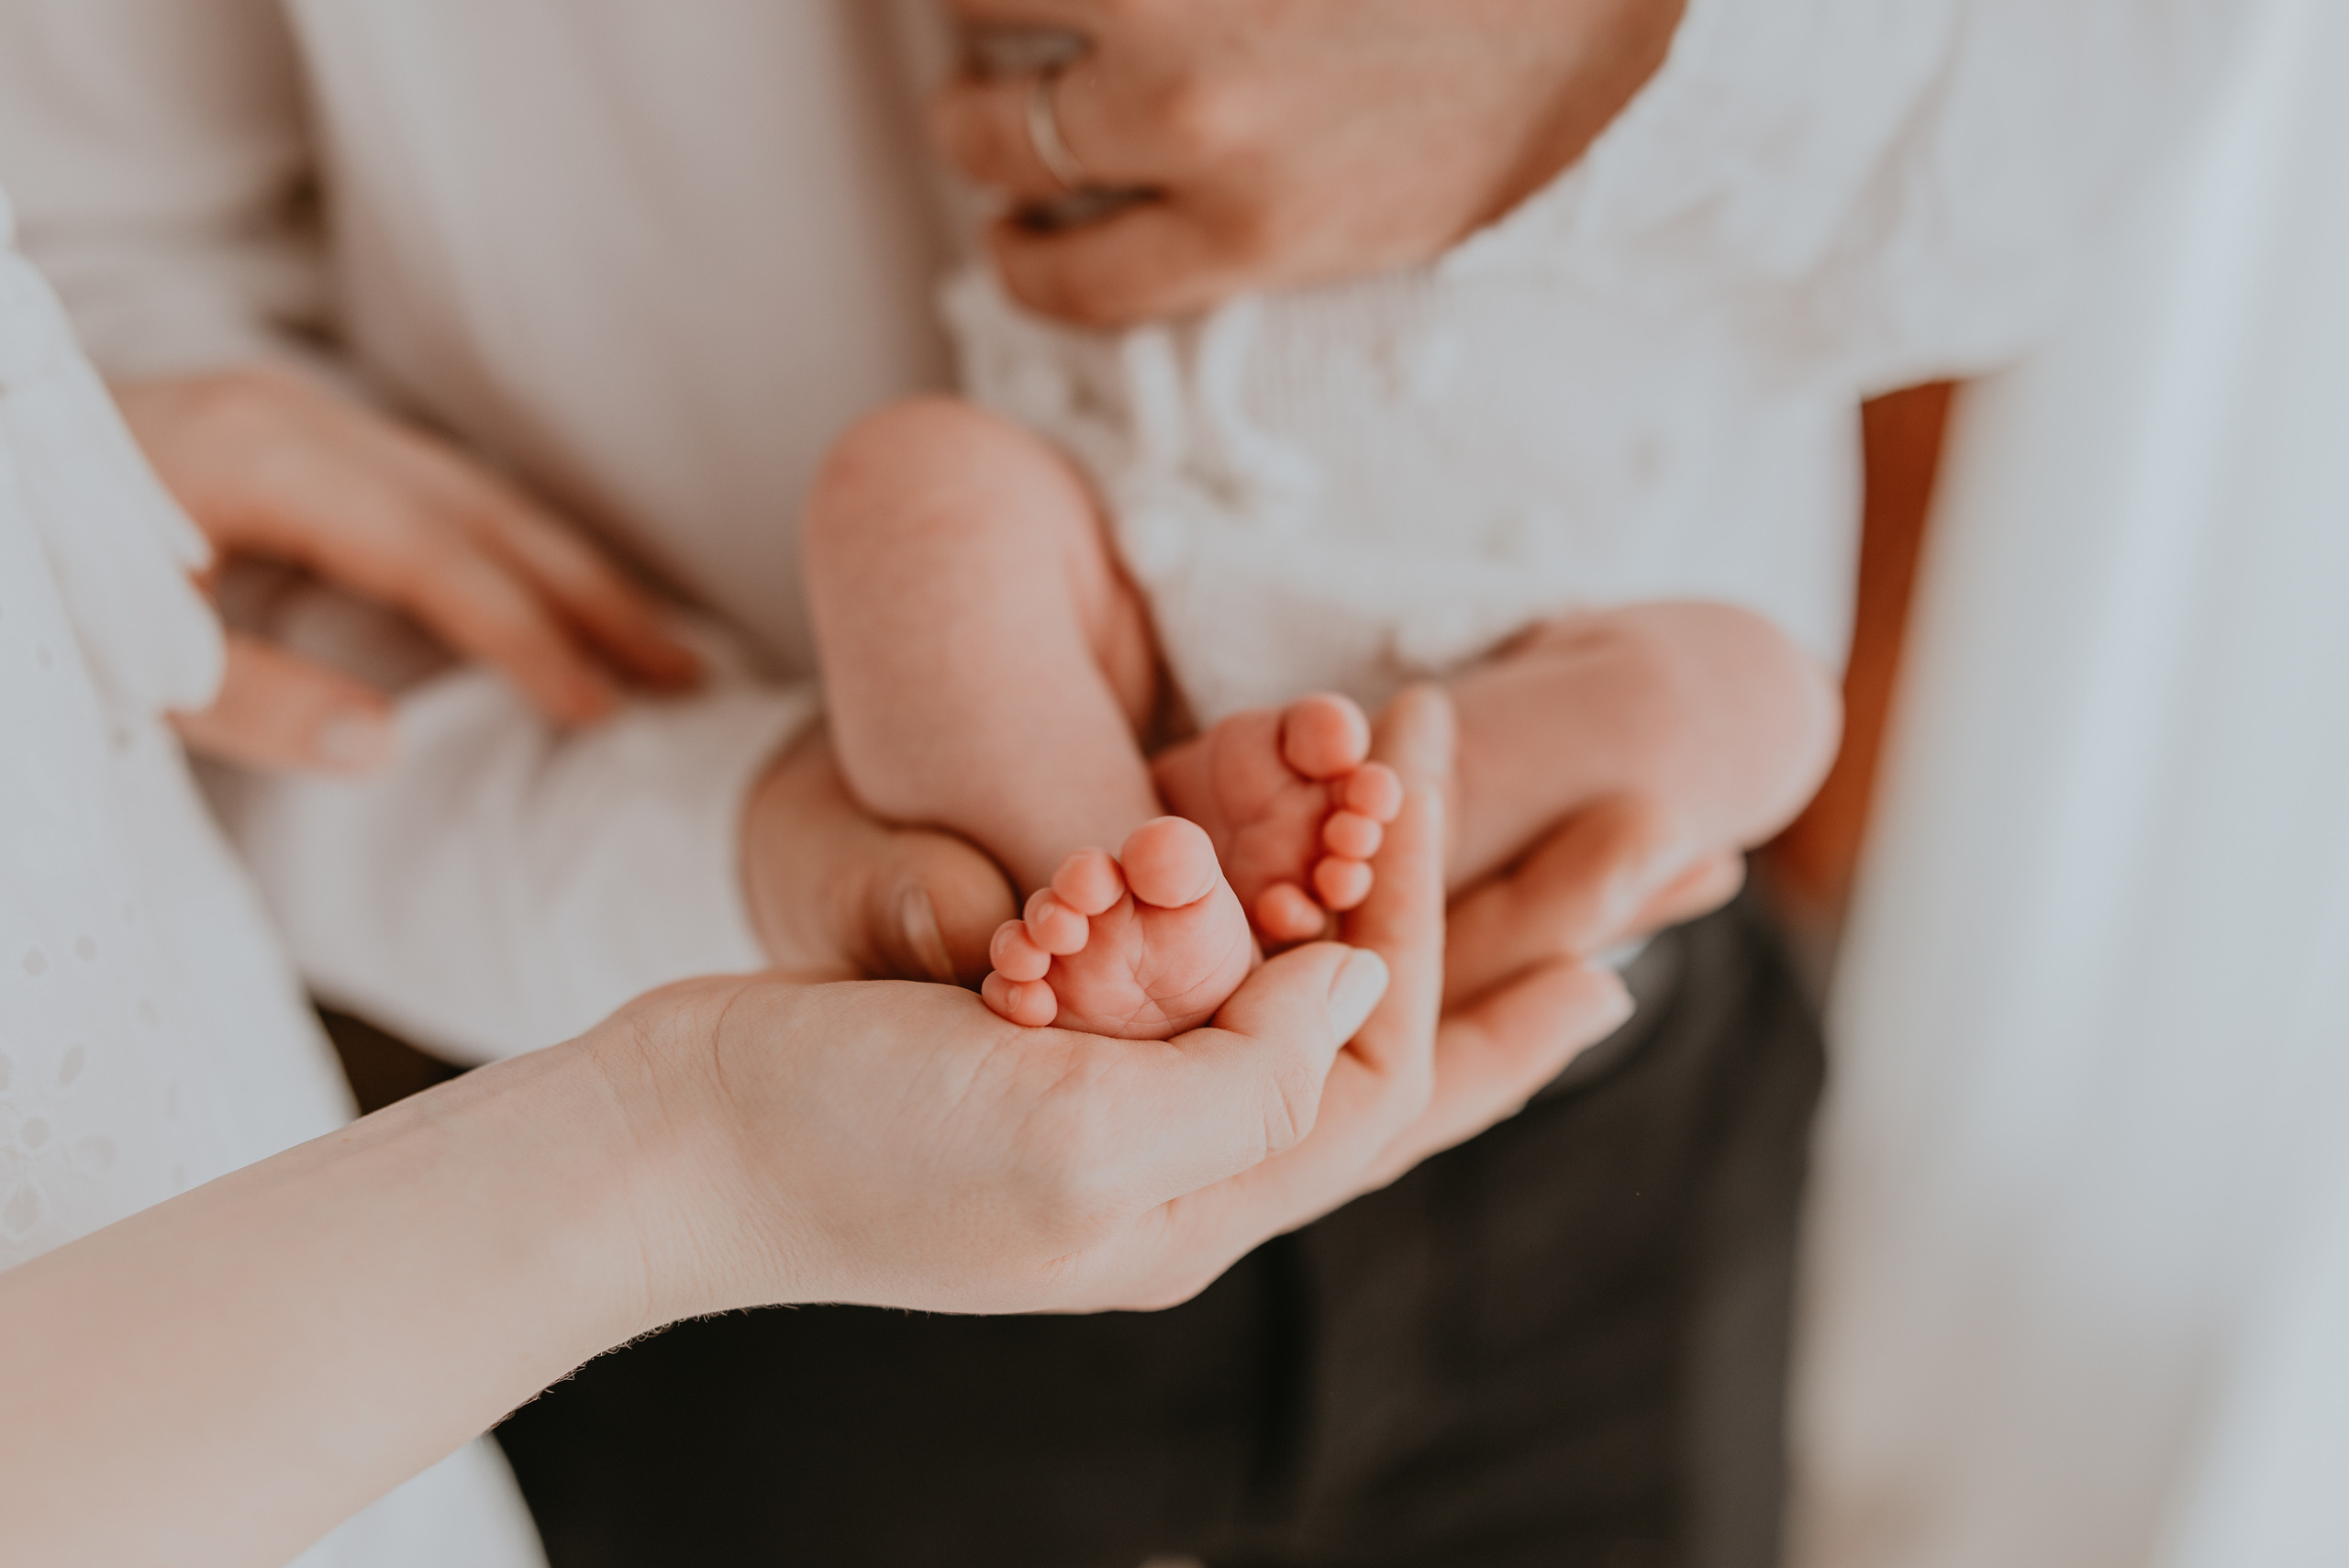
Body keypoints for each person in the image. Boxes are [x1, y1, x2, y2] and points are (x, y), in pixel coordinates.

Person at [0, 3, 1811, 1563]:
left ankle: (1366, 830)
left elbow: (2042, 112)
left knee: (1744, 706)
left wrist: (1635, 59)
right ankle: (1096, 856)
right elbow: (114, 328)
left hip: (1567, 852)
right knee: (915, 501)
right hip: (998, 686)